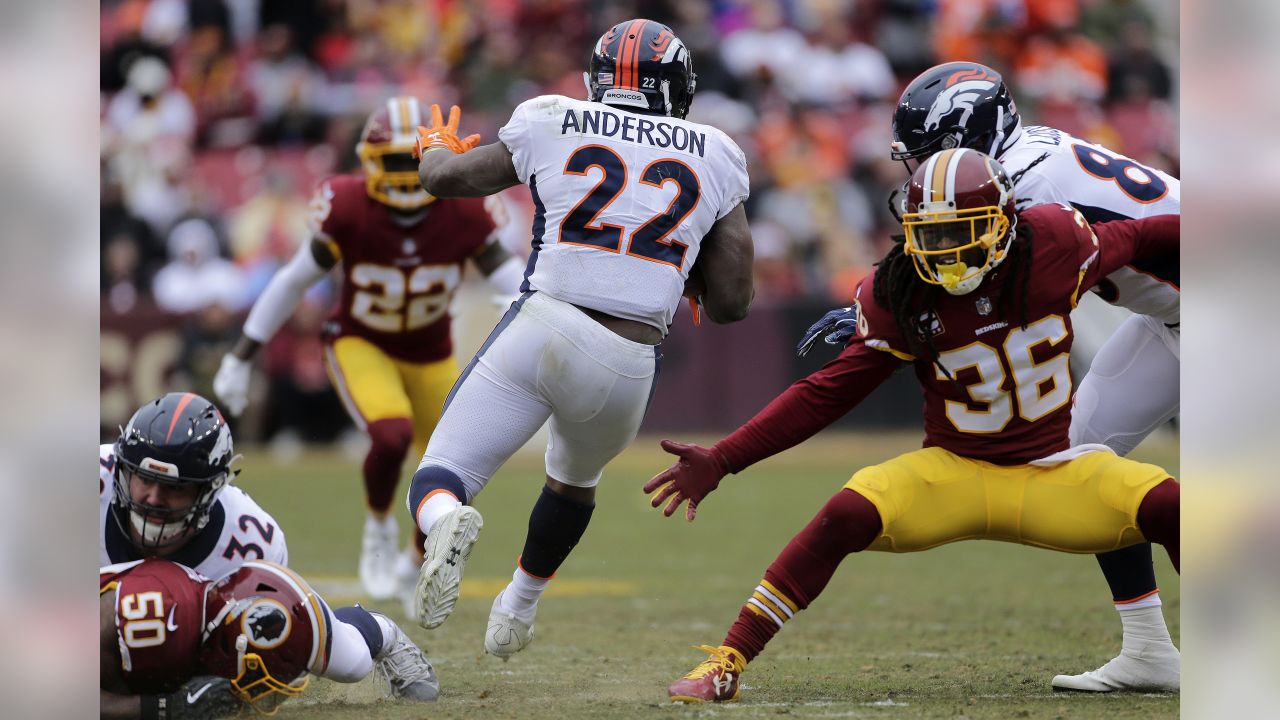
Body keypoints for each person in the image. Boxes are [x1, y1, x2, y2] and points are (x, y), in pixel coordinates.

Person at [644, 148, 1180, 702]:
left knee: (1175, 507)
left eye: (961, 232)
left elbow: (1141, 238)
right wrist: (724, 459)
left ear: (1004, 221)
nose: (944, 250)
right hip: (952, 473)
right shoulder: (901, 288)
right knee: (845, 512)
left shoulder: (1057, 241)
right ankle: (729, 660)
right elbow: (825, 394)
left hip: (1053, 472)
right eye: (931, 234)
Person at [404, 18, 754, 659]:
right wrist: (686, 269)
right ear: (678, 85)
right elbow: (733, 302)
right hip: (629, 362)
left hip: (548, 323)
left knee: (441, 474)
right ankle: (517, 609)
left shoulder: (550, 116)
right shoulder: (717, 151)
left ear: (598, 81)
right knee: (572, 482)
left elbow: (446, 179)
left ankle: (444, 520)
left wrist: (434, 145)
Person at [887, 61, 1180, 692]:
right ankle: (1150, 648)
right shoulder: (1027, 158)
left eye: (928, 153)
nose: (919, 173)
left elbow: (962, 289)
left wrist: (872, 305)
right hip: (1171, 321)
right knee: (1080, 455)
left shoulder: (1030, 188)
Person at [213, 96, 525, 609]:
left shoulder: (464, 210)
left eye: (414, 160)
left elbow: (508, 278)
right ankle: (379, 529)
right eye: (396, 161)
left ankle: (411, 561)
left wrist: (525, 303)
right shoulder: (349, 206)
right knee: (391, 432)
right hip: (364, 342)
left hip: (431, 351)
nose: (407, 174)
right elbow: (293, 281)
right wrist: (240, 355)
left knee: (456, 468)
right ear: (368, 162)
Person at [100, 558, 440, 719]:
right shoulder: (155, 617)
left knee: (353, 664)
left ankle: (379, 629)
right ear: (229, 646)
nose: (269, 692)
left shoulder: (226, 626)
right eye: (266, 676)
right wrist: (160, 708)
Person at [100, 392, 289, 578]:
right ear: (124, 472)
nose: (154, 498)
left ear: (210, 490)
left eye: (175, 487)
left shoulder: (252, 549)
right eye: (145, 479)